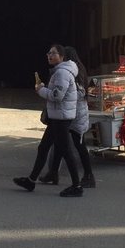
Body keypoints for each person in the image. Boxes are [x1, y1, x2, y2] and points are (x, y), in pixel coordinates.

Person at [13, 43, 83, 197]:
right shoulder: (60, 71)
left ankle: (77, 186)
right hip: (56, 117)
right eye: (49, 53)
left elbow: (57, 96)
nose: (49, 56)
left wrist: (41, 90)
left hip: (61, 118)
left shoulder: (62, 73)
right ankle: (31, 180)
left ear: (62, 56)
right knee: (44, 147)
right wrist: (45, 88)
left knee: (66, 151)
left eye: (53, 53)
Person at [38, 46, 96, 188]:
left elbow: (76, 93)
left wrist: (45, 91)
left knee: (78, 145)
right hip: (69, 113)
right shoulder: (71, 70)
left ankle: (88, 176)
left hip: (75, 114)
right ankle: (53, 172)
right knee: (59, 144)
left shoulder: (72, 72)